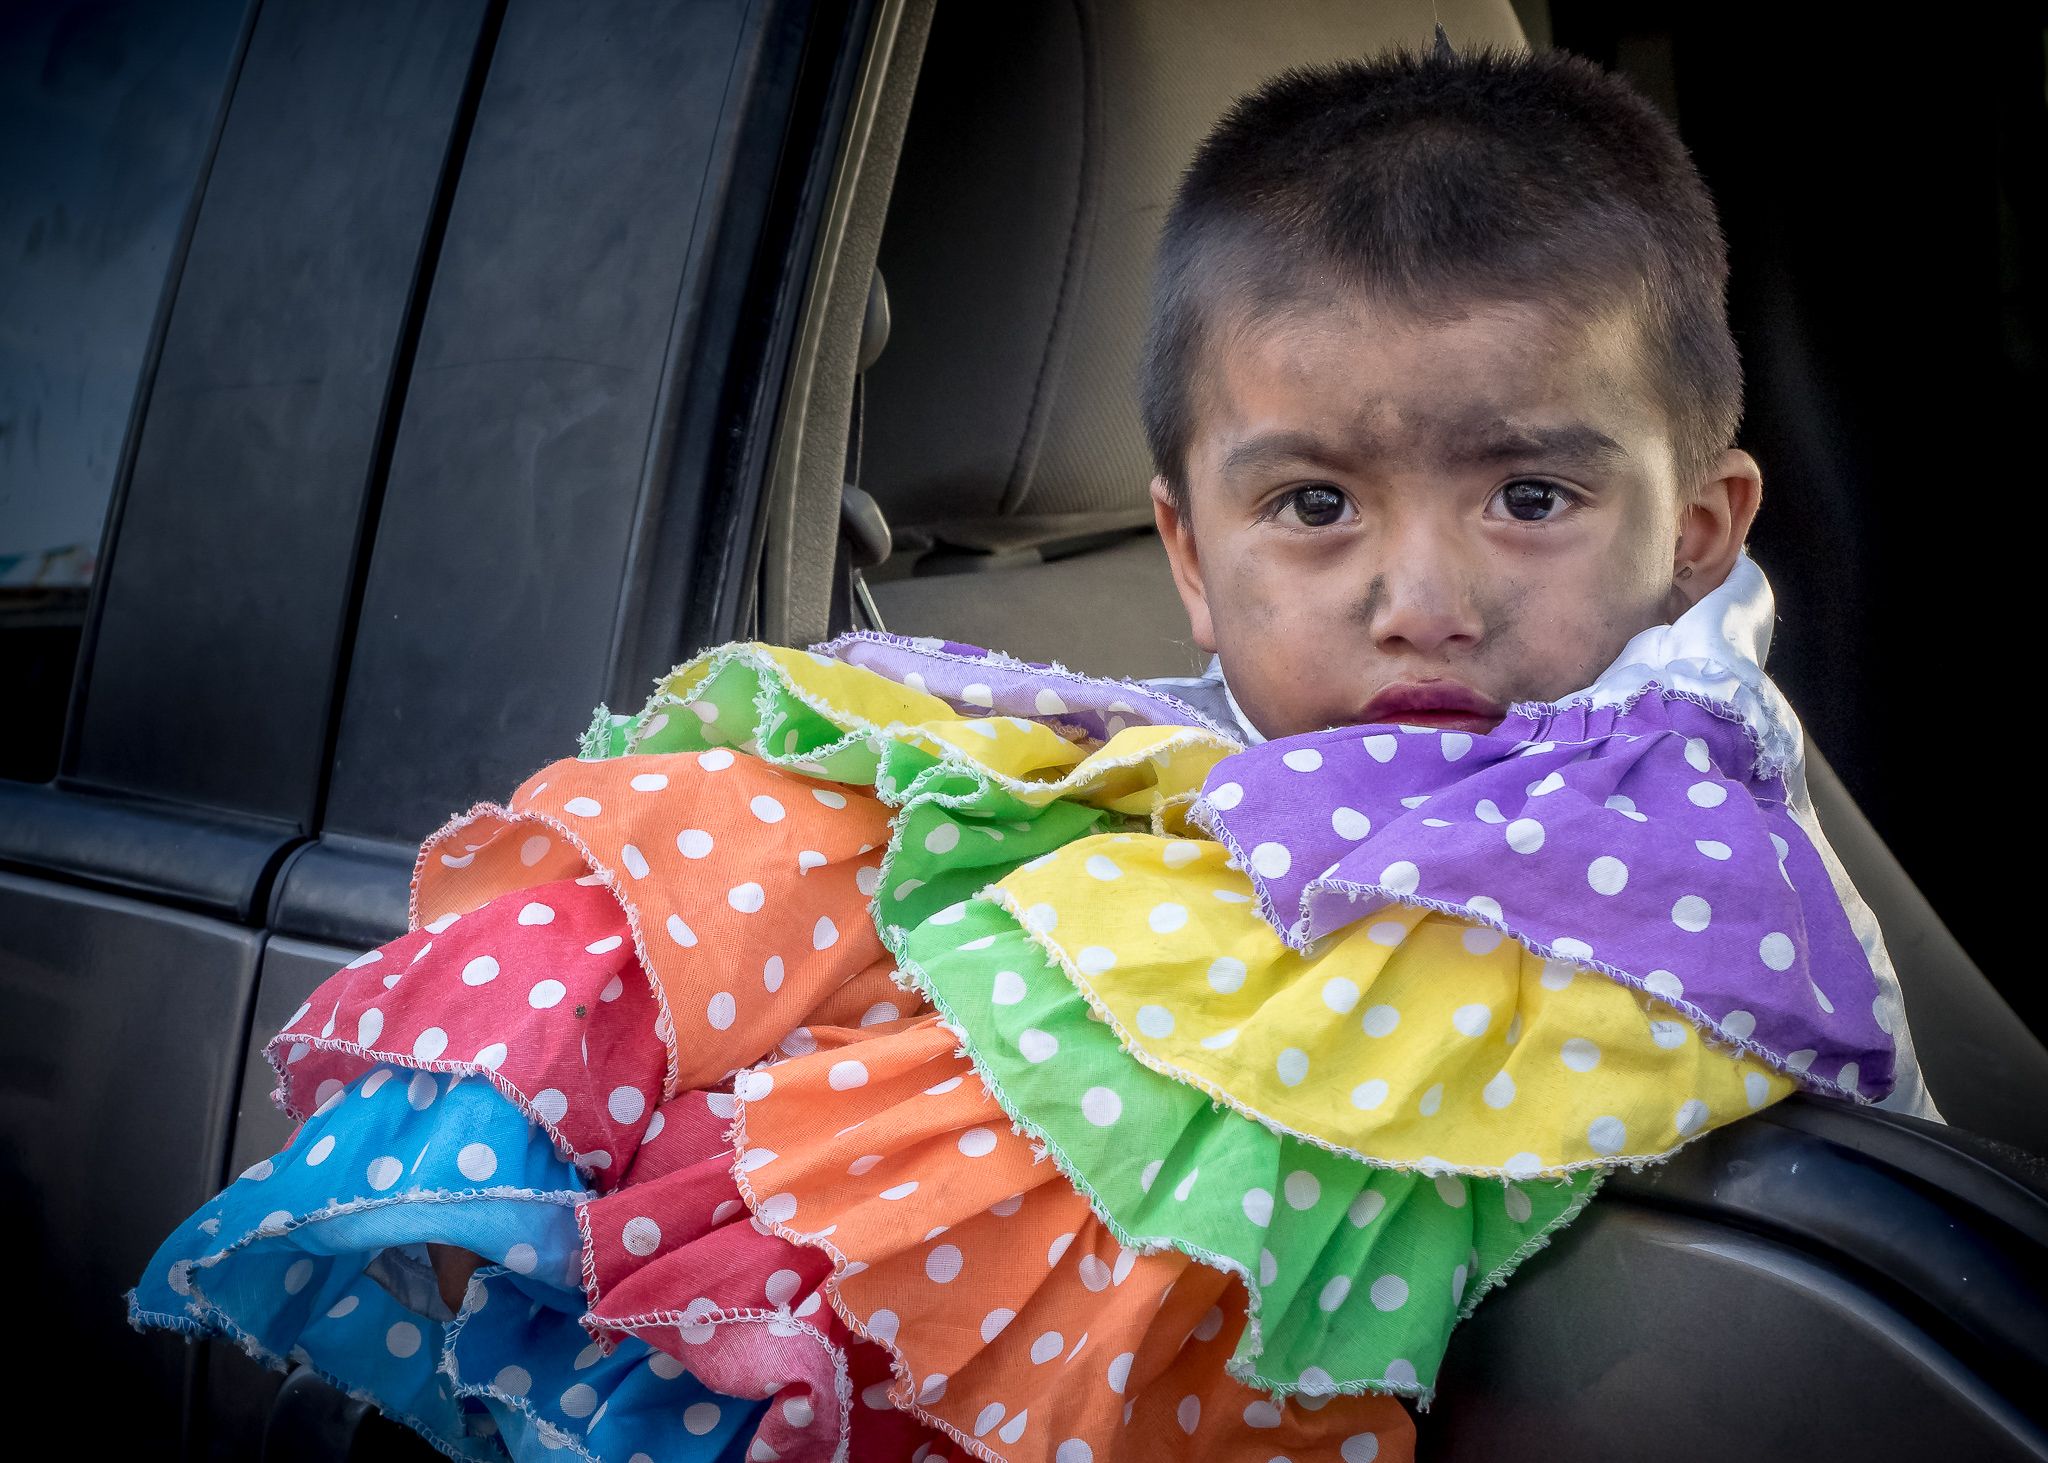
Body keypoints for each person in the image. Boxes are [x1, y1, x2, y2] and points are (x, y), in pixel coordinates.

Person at [130, 37, 1935, 1463]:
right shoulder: (1042, 795)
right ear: (1189, 561)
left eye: (1529, 496)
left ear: (1704, 531)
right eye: (1313, 505)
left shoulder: (1672, 831)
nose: (1425, 598)